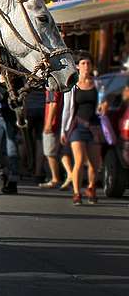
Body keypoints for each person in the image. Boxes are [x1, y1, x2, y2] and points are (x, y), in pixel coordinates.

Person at [61, 55, 103, 205]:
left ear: (91, 66)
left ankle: (91, 188)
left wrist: (103, 108)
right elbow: (67, 109)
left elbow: (103, 105)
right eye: (83, 63)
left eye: (88, 63)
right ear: (78, 66)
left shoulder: (98, 84)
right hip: (77, 126)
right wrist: (63, 130)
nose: (85, 66)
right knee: (78, 161)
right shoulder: (73, 85)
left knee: (94, 164)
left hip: (94, 127)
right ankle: (77, 193)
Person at [0, 76, 21, 194]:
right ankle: (1, 174)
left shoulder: (16, 79)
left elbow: (21, 100)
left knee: (12, 149)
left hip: (11, 117)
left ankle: (13, 180)